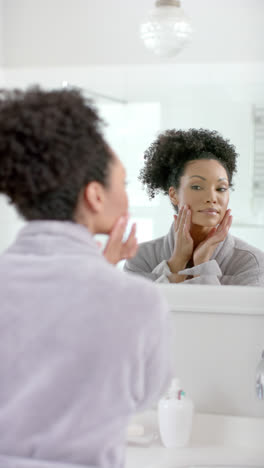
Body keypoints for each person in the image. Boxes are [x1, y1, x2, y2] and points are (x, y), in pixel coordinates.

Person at [0, 87, 171, 468]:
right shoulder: (138, 302)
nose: (126, 196)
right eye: (123, 184)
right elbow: (144, 396)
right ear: (95, 195)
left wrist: (103, 267)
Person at [124, 128, 264, 286]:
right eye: (197, 187)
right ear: (173, 194)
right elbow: (143, 310)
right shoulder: (140, 258)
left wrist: (202, 265)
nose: (212, 198)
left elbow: (216, 311)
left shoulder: (251, 263)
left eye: (221, 188)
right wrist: (177, 262)